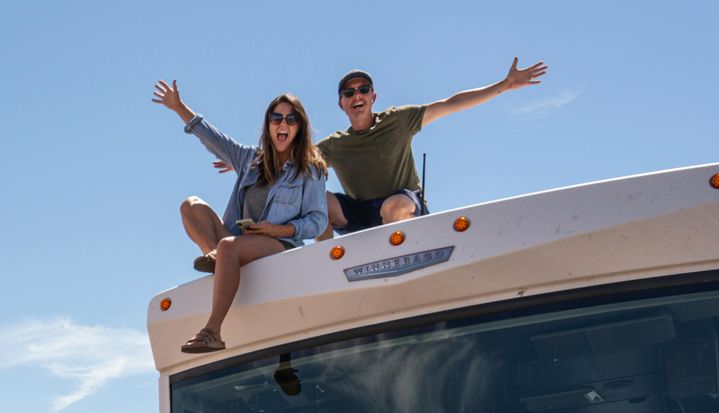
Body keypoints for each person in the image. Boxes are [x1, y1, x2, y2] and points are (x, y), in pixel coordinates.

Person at [151, 81, 329, 354]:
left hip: (278, 244)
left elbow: (317, 220)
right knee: (190, 205)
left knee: (229, 247)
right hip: (238, 241)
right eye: (276, 117)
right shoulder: (249, 160)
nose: (283, 123)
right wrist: (178, 107)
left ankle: (212, 330)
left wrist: (278, 229)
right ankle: (216, 259)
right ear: (268, 124)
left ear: (299, 127)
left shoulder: (311, 169)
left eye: (291, 119)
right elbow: (213, 138)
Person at [317, 59, 548, 234]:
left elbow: (450, 104)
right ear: (341, 104)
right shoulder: (334, 145)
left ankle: (395, 257)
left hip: (403, 205)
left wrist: (505, 85)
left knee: (392, 207)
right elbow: (293, 162)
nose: (357, 95)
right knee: (315, 197)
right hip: (363, 214)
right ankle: (326, 263)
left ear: (373, 97)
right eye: (349, 92)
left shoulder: (397, 121)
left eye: (363, 90)